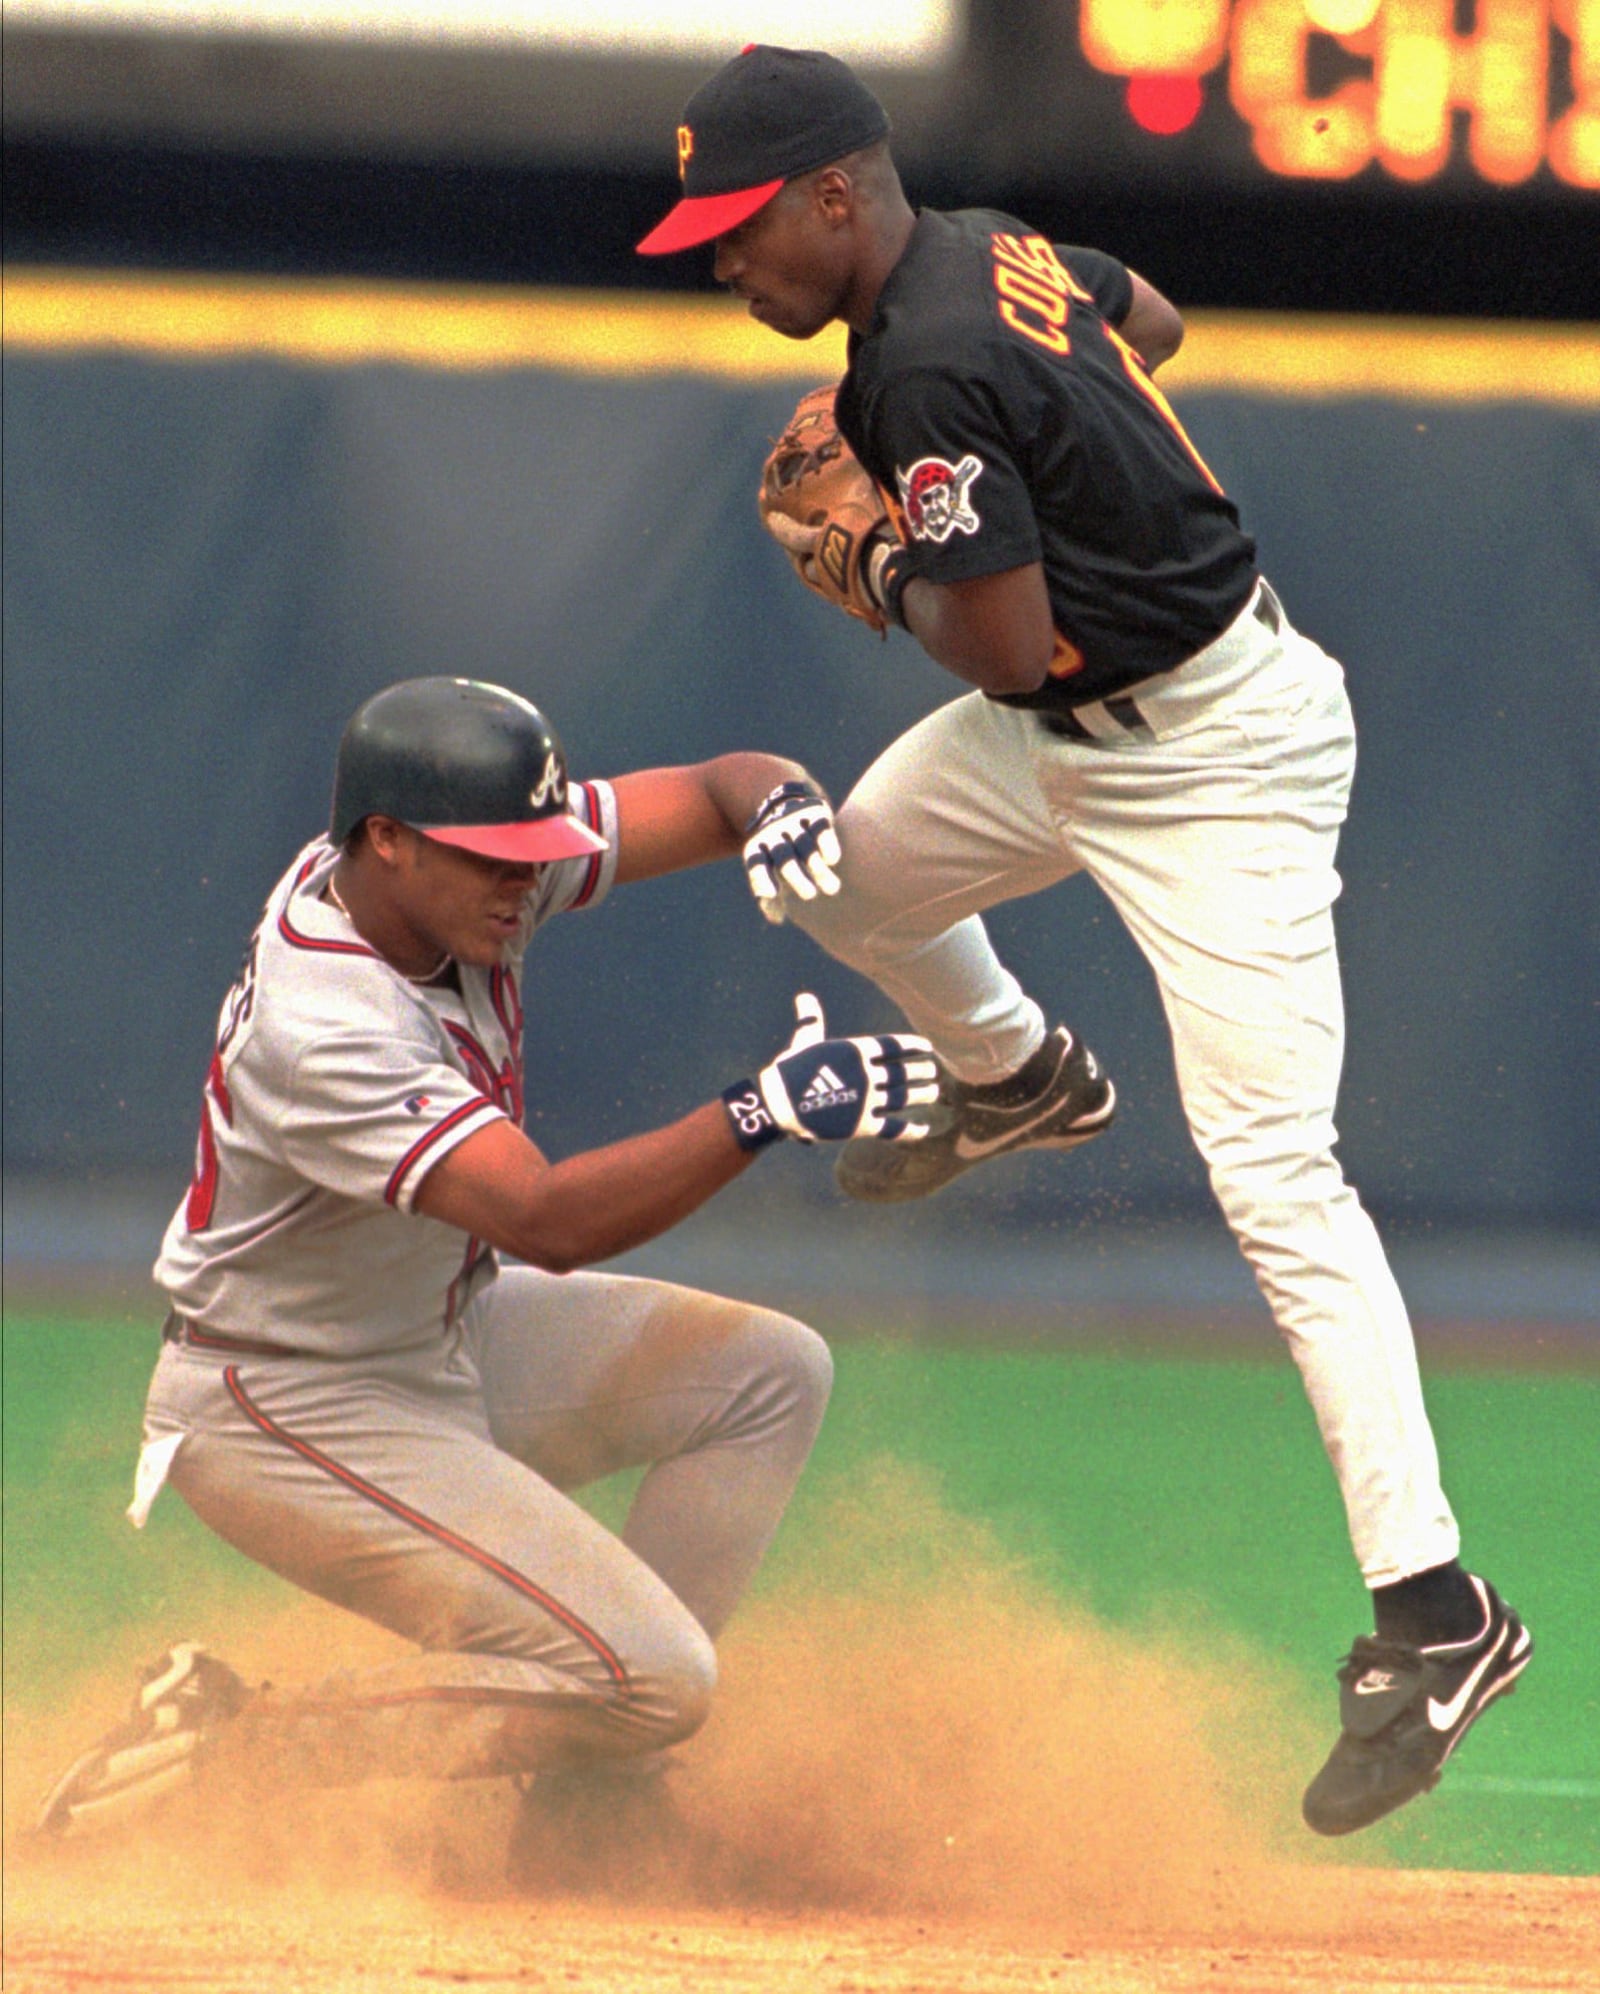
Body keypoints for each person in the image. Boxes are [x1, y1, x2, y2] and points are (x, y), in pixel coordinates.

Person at [637, 45, 1533, 1837]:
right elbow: (1160, 315)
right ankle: (1016, 1070)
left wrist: (864, 556)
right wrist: (1023, 461)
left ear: (835, 195)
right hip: (1075, 727)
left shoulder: (931, 357)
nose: (726, 264)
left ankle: (1439, 1613)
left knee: (1278, 1176)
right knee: (834, 873)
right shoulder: (986, 246)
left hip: (1212, 752)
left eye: (741, 230)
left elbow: (1004, 643)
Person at [35, 674, 935, 1880]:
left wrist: (781, 804)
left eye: (538, 850)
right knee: (653, 1675)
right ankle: (236, 1745)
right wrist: (759, 1110)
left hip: (433, 1330)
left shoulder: (440, 877)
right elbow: (546, 1218)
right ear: (389, 843)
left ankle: (584, 1809)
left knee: (767, 1372)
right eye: (496, 858)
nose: (529, 879)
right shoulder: (324, 1022)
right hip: (287, 1408)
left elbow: (723, 786)